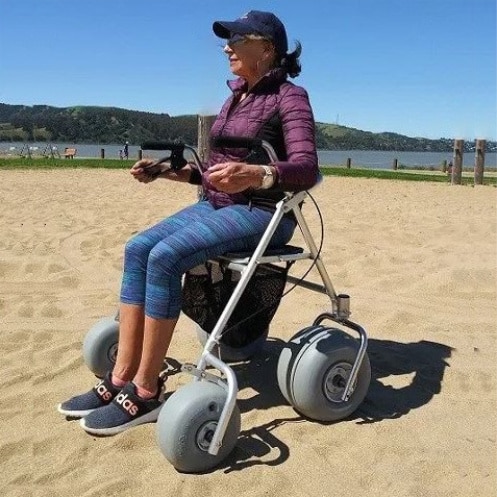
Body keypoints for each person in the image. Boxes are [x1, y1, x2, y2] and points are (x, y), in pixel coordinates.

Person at [58, 10, 319, 435]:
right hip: (216, 204)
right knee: (138, 248)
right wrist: (166, 171)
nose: (227, 47)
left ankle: (145, 392)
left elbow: (307, 169)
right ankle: (120, 376)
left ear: (267, 49)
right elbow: (212, 172)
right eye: (227, 40)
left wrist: (258, 175)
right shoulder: (235, 97)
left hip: (261, 212)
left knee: (164, 256)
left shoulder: (290, 97)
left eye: (237, 39)